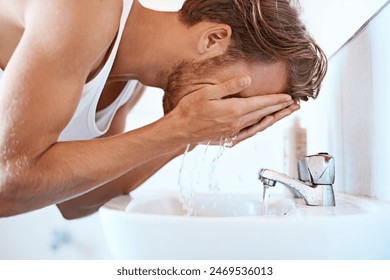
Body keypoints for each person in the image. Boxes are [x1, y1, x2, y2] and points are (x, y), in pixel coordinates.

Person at [0, 0, 327, 219]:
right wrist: (179, 129)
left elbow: (75, 201)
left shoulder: (130, 85)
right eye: (238, 96)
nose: (231, 115)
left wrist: (188, 136)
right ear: (213, 38)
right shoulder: (86, 8)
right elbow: (7, 186)